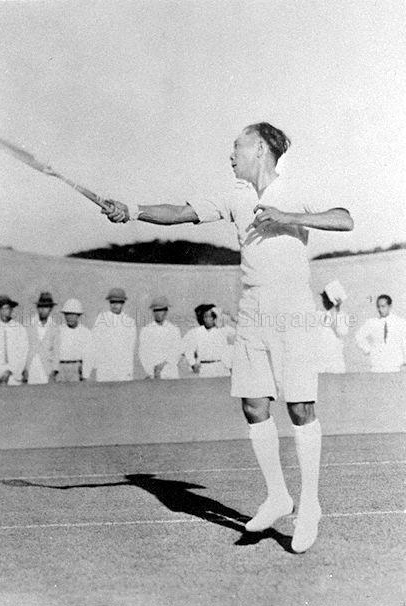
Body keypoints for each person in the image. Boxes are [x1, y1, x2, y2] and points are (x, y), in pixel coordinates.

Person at [100, 121, 353, 552]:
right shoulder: (235, 195)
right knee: (253, 405)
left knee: (300, 407)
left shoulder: (295, 189)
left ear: (261, 149)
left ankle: (309, 505)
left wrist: (288, 217)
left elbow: (345, 219)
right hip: (252, 309)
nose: (231, 154)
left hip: (292, 309)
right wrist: (132, 210)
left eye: (238, 146)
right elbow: (181, 211)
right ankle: (278, 496)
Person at [92, 288, 136, 382]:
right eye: (112, 302)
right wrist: (96, 367)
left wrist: (129, 371)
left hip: (122, 369)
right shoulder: (101, 319)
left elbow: (130, 348)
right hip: (105, 369)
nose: (115, 305)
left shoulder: (129, 322)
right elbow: (95, 344)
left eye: (118, 302)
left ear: (123, 303)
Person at [355, 295, 406, 372]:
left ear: (390, 306)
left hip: (394, 365)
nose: (380, 309)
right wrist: (368, 350)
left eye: (383, 306)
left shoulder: (400, 322)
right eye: (378, 307)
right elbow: (359, 336)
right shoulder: (372, 322)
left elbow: (404, 342)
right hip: (377, 365)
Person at [183, 304, 233, 377]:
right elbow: (188, 350)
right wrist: (193, 364)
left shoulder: (223, 330)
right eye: (206, 316)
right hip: (204, 368)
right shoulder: (196, 332)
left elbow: (237, 336)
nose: (208, 319)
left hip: (221, 367)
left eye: (212, 316)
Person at [139, 296, 182, 379]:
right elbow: (143, 353)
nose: (158, 313)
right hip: (153, 374)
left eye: (161, 310)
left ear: (166, 312)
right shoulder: (146, 330)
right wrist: (152, 371)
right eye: (156, 310)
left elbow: (177, 352)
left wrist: (163, 366)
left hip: (171, 373)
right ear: (153, 312)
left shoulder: (174, 330)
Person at [0, 295, 28, 386]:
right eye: (1, 309)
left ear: (11, 310)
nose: (4, 312)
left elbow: (23, 353)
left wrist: (11, 371)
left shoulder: (19, 329)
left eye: (7, 308)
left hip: (14, 374)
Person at [24, 292, 60, 384]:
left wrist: (54, 371)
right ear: (37, 308)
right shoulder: (29, 325)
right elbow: (23, 348)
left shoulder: (55, 328)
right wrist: (24, 369)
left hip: (46, 369)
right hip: (31, 368)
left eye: (46, 307)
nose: (43, 310)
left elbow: (56, 351)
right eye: (40, 307)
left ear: (50, 309)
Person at [55, 298, 93, 382]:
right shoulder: (58, 331)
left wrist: (85, 375)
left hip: (76, 369)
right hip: (61, 369)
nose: (70, 317)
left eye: (73, 314)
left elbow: (88, 355)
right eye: (67, 314)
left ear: (78, 315)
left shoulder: (85, 332)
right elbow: (54, 352)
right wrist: (55, 371)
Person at [317, 281, 350, 374]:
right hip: (321, 357)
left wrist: (338, 311)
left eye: (325, 299)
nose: (323, 301)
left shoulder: (341, 315)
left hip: (335, 357)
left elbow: (343, 332)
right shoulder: (319, 315)